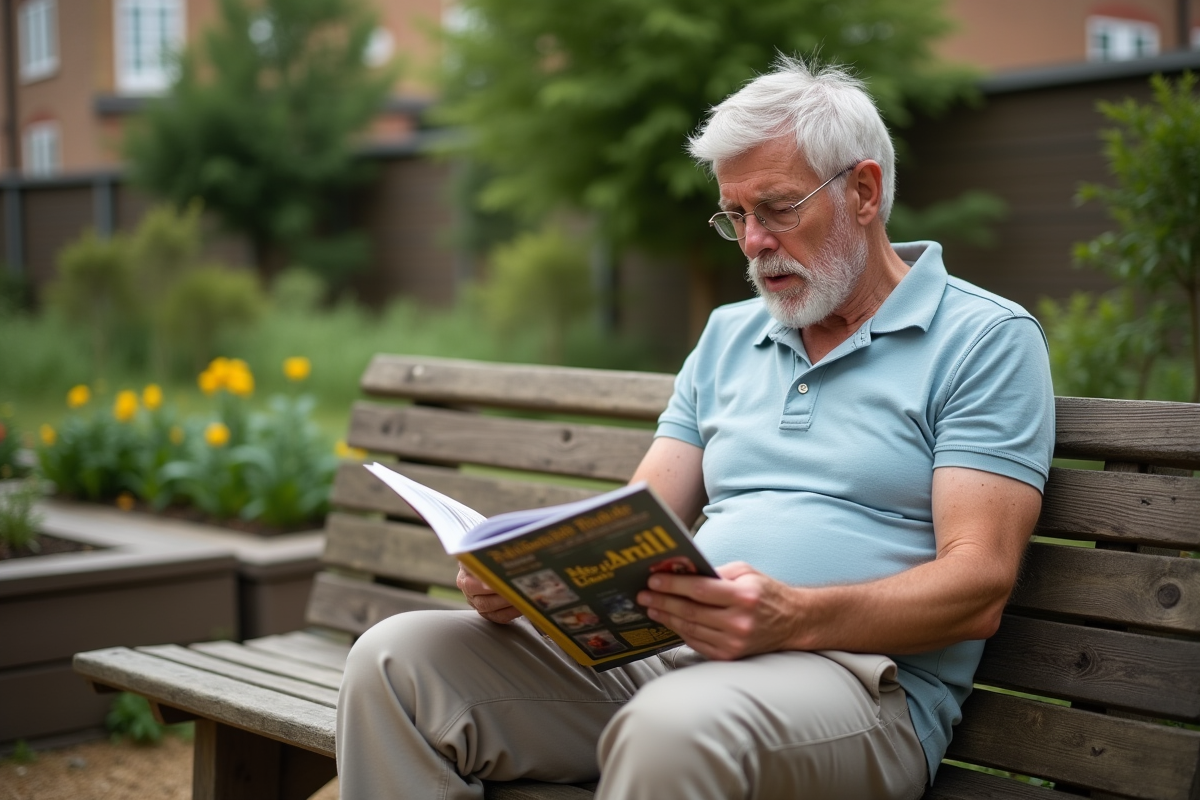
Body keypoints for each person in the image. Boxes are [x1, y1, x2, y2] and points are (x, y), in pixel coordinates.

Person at [336, 56, 1054, 800]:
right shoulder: (728, 336)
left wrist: (791, 617)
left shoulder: (983, 339)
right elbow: (638, 517)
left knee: (674, 725)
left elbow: (978, 589)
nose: (752, 242)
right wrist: (534, 580)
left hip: (857, 687)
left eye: (776, 208)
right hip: (677, 660)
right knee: (397, 663)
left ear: (864, 191)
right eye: (735, 215)